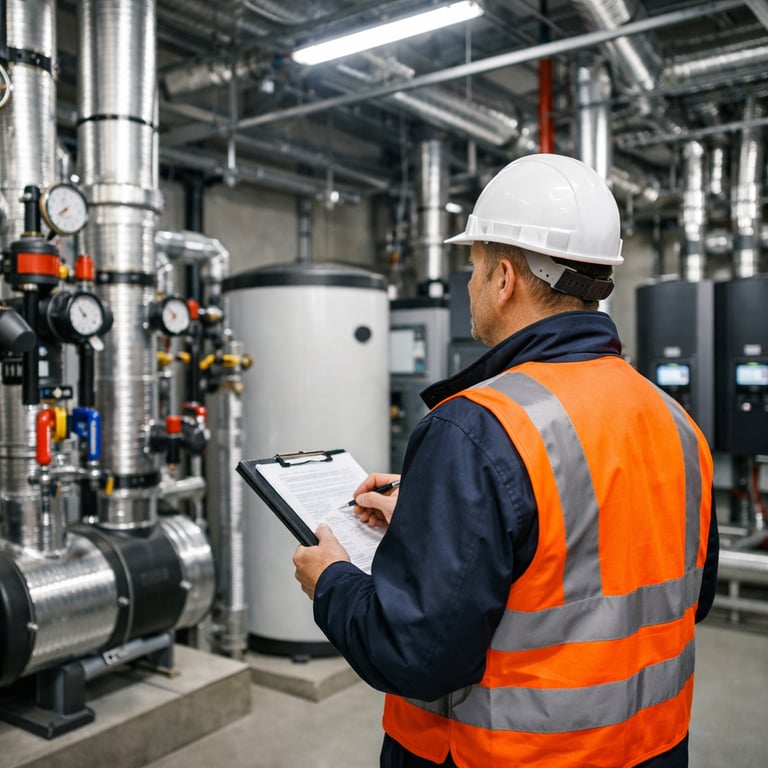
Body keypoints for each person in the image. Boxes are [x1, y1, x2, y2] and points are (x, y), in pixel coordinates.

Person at [293, 153, 719, 768]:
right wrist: (439, 517)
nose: (469, 284)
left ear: (503, 279)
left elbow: (417, 655)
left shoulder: (476, 428)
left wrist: (330, 581)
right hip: (652, 747)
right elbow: (675, 594)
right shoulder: (676, 422)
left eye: (472, 266)